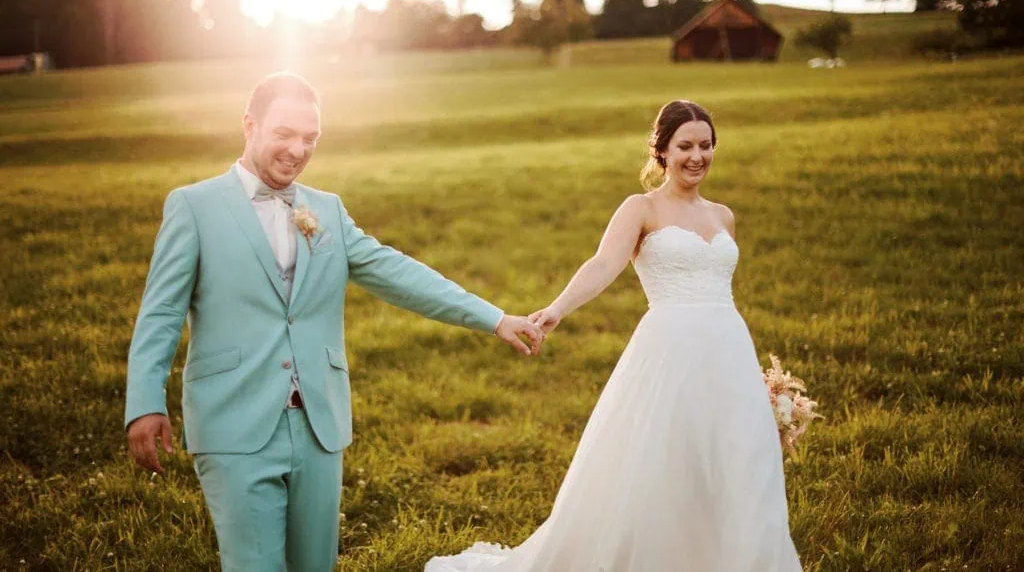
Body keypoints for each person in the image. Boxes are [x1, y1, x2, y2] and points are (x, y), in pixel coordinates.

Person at [124, 71, 544, 572]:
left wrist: (493, 318)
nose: (297, 150)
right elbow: (162, 312)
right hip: (233, 421)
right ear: (249, 126)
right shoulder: (194, 206)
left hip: (318, 424)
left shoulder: (326, 209)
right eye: (284, 134)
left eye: (311, 138)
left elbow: (398, 273)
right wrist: (145, 402)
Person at [426, 100, 802, 571]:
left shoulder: (723, 216)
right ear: (662, 151)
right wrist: (558, 308)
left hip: (728, 348)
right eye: (685, 146)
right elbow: (604, 264)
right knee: (663, 459)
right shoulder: (641, 208)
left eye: (706, 146)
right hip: (668, 348)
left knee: (739, 460)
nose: (697, 157)